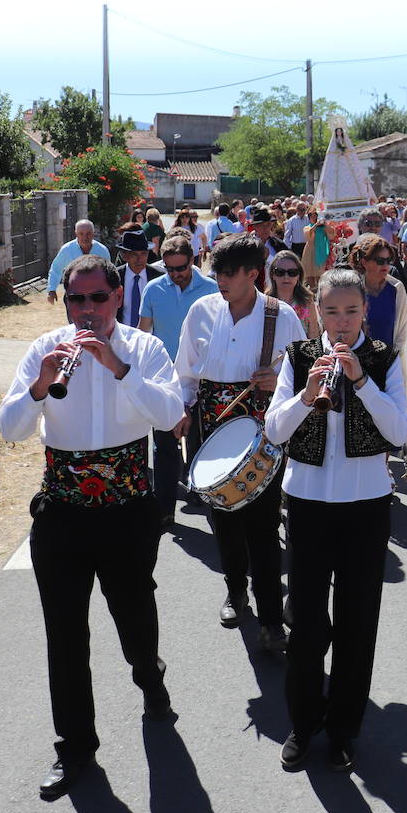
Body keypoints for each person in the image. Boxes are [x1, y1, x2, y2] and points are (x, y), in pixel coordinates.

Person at [0, 254, 183, 800]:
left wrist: (117, 368)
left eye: (97, 299)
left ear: (117, 298)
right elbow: (10, 430)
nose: (86, 311)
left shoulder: (143, 349)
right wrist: (39, 387)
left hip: (127, 511)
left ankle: (150, 676)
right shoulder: (44, 350)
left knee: (134, 616)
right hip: (62, 512)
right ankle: (75, 747)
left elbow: (169, 412)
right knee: (65, 636)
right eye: (75, 299)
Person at [265, 268, 407, 772]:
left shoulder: (385, 360)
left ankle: (345, 730)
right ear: (316, 312)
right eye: (332, 312)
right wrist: (307, 395)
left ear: (364, 312)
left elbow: (398, 431)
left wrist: (361, 380)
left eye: (351, 311)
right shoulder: (299, 358)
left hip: (366, 506)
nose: (342, 323)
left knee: (356, 624)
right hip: (306, 505)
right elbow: (275, 431)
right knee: (305, 624)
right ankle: (303, 724)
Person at [174, 234, 305, 654]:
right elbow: (186, 372)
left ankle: (270, 619)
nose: (220, 280)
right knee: (223, 520)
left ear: (254, 274)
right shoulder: (201, 310)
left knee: (263, 528)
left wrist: (279, 380)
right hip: (211, 423)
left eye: (229, 273)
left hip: (262, 427)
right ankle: (235, 589)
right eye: (217, 272)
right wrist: (182, 408)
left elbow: (304, 371)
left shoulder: (280, 316)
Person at [137, 235, 220, 525]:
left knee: (199, 441)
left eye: (181, 268)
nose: (175, 274)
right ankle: (164, 509)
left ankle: (202, 492)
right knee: (164, 445)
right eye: (169, 269)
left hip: (202, 378)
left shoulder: (212, 289)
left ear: (194, 259)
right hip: (164, 379)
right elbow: (143, 332)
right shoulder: (153, 289)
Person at [351, 233, 407, 371]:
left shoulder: (396, 288)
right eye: (379, 260)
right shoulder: (351, 287)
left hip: (388, 364)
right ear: (364, 262)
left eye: (388, 260)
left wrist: (393, 359)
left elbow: (402, 330)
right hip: (356, 364)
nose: (385, 265)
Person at [46, 219, 111, 303]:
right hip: (74, 295)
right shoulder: (67, 250)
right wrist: (52, 289)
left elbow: (108, 273)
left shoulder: (102, 251)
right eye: (81, 234)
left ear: (93, 233)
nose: (85, 237)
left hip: (97, 295)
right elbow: (56, 269)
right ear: (76, 234)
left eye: (88, 233)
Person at [267, 250, 320, 340]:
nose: (286, 277)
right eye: (280, 272)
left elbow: (313, 335)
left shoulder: (307, 302)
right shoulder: (264, 302)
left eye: (292, 272)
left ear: (299, 275)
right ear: (273, 275)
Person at [114, 230, 155, 329]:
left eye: (144, 254)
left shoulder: (158, 277)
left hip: (151, 339)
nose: (139, 259)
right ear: (124, 255)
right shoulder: (114, 277)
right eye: (134, 254)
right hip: (122, 337)